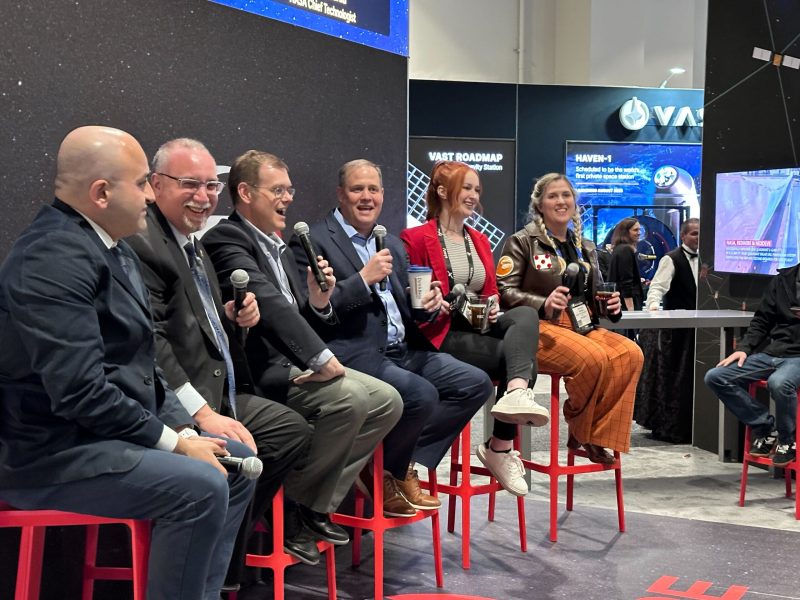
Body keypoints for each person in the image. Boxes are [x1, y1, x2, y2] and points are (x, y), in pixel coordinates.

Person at [0, 126, 255, 600]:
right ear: (101, 193)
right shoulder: (52, 257)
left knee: (234, 463)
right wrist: (176, 446)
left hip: (99, 436)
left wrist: (185, 431)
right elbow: (80, 392)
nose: (148, 195)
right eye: (141, 183)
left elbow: (141, 366)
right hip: (50, 455)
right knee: (201, 486)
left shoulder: (107, 246)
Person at [127, 139, 318, 574]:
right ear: (154, 185)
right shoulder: (145, 244)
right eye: (190, 184)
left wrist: (237, 317)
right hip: (180, 400)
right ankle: (219, 565)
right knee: (239, 453)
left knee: (289, 431)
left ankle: (230, 553)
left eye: (212, 185)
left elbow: (202, 325)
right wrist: (201, 413)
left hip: (221, 388)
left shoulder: (190, 241)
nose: (204, 196)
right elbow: (150, 342)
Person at [201, 151, 403, 525]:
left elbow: (303, 316)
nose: (289, 198)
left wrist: (317, 299)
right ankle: (296, 511)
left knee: (388, 401)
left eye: (290, 189)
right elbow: (270, 305)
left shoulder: (279, 245)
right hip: (262, 373)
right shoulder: (226, 237)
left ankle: (308, 502)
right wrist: (321, 360)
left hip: (295, 365)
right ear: (245, 192)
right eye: (278, 190)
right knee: (352, 398)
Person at [292, 159, 493, 516]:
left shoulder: (391, 243)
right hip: (352, 350)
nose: (366, 197)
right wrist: (362, 279)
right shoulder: (314, 239)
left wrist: (430, 304)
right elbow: (314, 312)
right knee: (420, 394)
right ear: (340, 194)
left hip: (403, 349)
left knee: (474, 383)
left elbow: (410, 310)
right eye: (357, 189)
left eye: (373, 190)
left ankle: (391, 466)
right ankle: (389, 472)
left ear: (383, 195)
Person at [400, 161, 543, 497]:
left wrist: (492, 304)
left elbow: (490, 289)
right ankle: (500, 447)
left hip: (478, 324)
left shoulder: (478, 239)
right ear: (441, 191)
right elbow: (413, 300)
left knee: (524, 316)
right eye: (466, 187)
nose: (473, 195)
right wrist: (438, 299)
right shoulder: (415, 237)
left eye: (476, 189)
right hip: (440, 332)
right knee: (525, 362)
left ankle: (516, 396)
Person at [496, 173, 643, 464]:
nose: (561, 201)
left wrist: (610, 307)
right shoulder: (523, 242)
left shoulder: (586, 247)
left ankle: (589, 434)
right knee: (593, 358)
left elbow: (592, 298)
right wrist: (543, 302)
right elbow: (504, 291)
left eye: (566, 195)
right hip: (537, 329)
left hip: (581, 325)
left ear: (575, 203)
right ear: (539, 205)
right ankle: (583, 430)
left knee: (630, 354)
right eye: (553, 196)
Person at [704, 260, 800, 467]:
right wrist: (743, 349)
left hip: (798, 358)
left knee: (779, 383)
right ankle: (766, 428)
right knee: (716, 376)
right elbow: (762, 320)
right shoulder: (783, 279)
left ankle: (787, 441)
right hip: (775, 351)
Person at [635, 218, 700, 442]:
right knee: (675, 380)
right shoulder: (670, 259)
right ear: (683, 236)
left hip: (699, 331)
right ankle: (671, 428)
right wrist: (653, 308)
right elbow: (657, 287)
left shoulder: (708, 261)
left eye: (701, 234)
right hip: (677, 331)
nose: (697, 238)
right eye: (693, 234)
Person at [608, 216, 644, 311]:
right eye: (635, 230)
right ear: (626, 232)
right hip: (626, 304)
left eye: (639, 230)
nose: (639, 233)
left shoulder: (619, 249)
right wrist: (631, 308)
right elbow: (626, 282)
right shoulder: (625, 250)